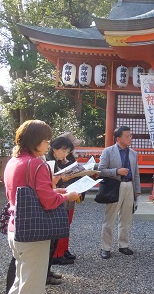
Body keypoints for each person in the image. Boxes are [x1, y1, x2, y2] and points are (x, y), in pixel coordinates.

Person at [3, 120, 79, 294]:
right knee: (33, 286)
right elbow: (48, 201)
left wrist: (57, 190)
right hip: (33, 234)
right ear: (36, 140)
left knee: (21, 281)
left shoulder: (13, 162)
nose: (48, 145)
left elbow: (32, 192)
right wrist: (68, 196)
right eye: (46, 140)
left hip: (15, 227)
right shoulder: (37, 163)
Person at [99, 126, 141, 259]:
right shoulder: (108, 151)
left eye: (130, 136)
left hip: (129, 185)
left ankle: (124, 245)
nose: (130, 138)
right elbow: (101, 170)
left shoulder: (133, 153)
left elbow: (136, 173)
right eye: (127, 136)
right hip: (115, 185)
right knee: (109, 218)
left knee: (126, 218)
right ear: (118, 138)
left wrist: (137, 190)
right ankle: (105, 247)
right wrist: (117, 171)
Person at [52, 132, 83, 264]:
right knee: (60, 224)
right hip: (60, 196)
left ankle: (64, 249)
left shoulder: (70, 159)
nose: (71, 151)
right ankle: (56, 253)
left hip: (71, 195)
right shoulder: (52, 162)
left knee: (67, 224)